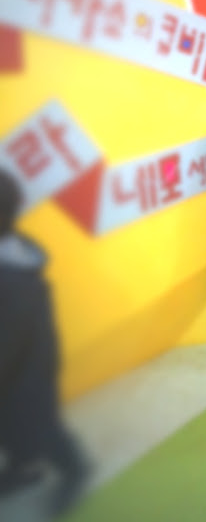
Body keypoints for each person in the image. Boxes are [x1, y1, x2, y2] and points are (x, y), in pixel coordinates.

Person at [0, 168, 89, 517]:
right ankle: (24, 469)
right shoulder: (17, 253)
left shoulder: (12, 283)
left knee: (39, 428)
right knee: (17, 429)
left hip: (24, 376)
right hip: (23, 368)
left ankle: (75, 469)